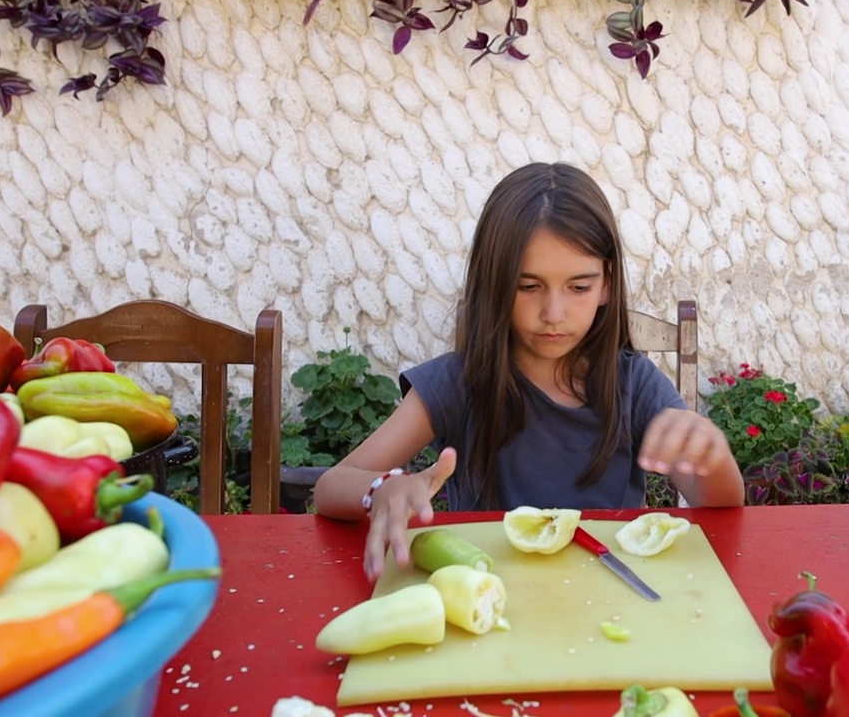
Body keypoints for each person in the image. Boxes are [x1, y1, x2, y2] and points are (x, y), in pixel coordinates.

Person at [313, 162, 744, 580]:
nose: (553, 313)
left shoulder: (635, 385)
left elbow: (719, 504)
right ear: (493, 281)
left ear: (607, 283)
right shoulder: (457, 384)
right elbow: (332, 486)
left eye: (579, 287)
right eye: (528, 286)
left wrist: (712, 453)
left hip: (613, 591)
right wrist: (383, 489)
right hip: (490, 595)